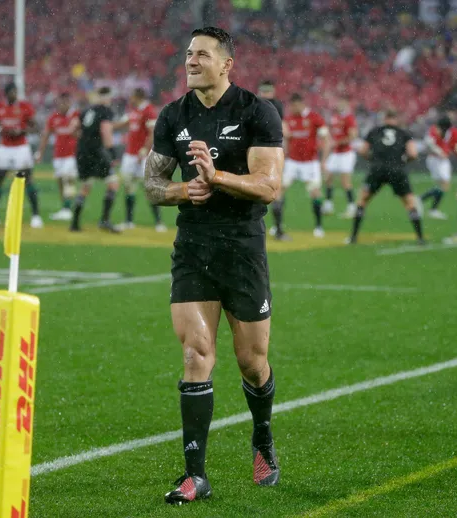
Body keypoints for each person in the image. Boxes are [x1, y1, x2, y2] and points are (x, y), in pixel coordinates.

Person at [144, 26, 283, 505]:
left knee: (252, 362)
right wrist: (185, 189)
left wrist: (217, 176)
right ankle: (195, 475)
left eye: (202, 54)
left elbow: (269, 186)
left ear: (227, 64)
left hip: (242, 248)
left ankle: (262, 438)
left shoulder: (256, 111)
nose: (191, 61)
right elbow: (152, 185)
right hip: (194, 248)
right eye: (188, 54)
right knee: (195, 354)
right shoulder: (173, 116)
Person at [348, 109, 424, 244]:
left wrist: (373, 160)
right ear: (396, 119)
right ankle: (420, 238)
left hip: (377, 169)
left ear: (384, 118)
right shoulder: (404, 133)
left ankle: (353, 236)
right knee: (410, 203)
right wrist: (403, 161)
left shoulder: (375, 131)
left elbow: (363, 150)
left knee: (362, 200)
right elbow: (413, 154)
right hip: (397, 169)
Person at [0, 82, 43, 229]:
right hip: (4, 147)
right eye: (12, 92)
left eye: (15, 92)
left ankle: (36, 216)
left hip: (21, 147)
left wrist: (21, 131)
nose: (14, 94)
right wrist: (0, 130)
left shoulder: (24, 107)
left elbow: (35, 127)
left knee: (28, 180)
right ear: (7, 93)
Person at [271, 92, 330, 240]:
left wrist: (323, 161)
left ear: (301, 104)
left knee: (315, 193)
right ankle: (278, 226)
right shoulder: (289, 119)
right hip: (292, 162)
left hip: (310, 162)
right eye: (291, 106)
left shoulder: (314, 118)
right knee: (278, 191)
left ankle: (318, 226)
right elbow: (285, 140)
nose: (292, 108)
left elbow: (326, 138)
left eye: (294, 105)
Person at [113, 88, 166, 232]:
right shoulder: (133, 110)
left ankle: (159, 222)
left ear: (137, 97)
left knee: (149, 187)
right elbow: (121, 124)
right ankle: (129, 221)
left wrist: (144, 150)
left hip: (143, 155)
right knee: (129, 186)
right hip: (129, 155)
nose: (130, 99)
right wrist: (106, 124)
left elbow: (152, 133)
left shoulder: (149, 110)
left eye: (132, 96)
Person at [70, 86, 121, 233]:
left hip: (82, 151)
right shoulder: (106, 111)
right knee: (113, 183)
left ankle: (75, 223)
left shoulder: (87, 110)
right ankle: (104, 220)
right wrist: (112, 153)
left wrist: (85, 139)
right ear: (108, 97)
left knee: (86, 185)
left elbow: (73, 128)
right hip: (96, 151)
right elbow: (106, 130)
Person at [36, 92, 79, 221]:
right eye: (61, 102)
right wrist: (40, 152)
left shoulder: (76, 116)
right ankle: (65, 208)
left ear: (69, 103)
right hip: (58, 155)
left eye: (65, 102)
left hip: (72, 154)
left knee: (68, 179)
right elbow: (46, 135)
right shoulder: (53, 118)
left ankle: (68, 209)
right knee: (60, 181)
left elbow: (80, 134)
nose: (62, 105)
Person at [324, 96, 358, 218]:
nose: (339, 104)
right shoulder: (335, 117)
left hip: (346, 154)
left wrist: (337, 142)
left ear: (346, 104)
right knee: (328, 178)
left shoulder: (349, 118)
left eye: (342, 102)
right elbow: (332, 135)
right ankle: (328, 205)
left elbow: (353, 136)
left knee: (345, 181)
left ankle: (352, 207)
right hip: (336, 153)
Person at [420, 123, 452, 220]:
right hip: (436, 160)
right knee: (444, 185)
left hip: (441, 160)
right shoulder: (434, 129)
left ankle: (427, 205)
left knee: (442, 185)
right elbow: (428, 142)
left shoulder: (446, 130)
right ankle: (424, 202)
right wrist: (439, 152)